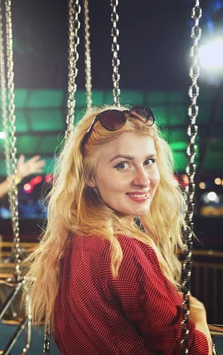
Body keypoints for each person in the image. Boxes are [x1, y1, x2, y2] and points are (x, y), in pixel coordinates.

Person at [25, 105, 213, 354]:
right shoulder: (124, 251)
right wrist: (199, 318)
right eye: (122, 165)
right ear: (89, 176)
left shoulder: (72, 240)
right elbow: (190, 351)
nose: (143, 179)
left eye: (148, 161)